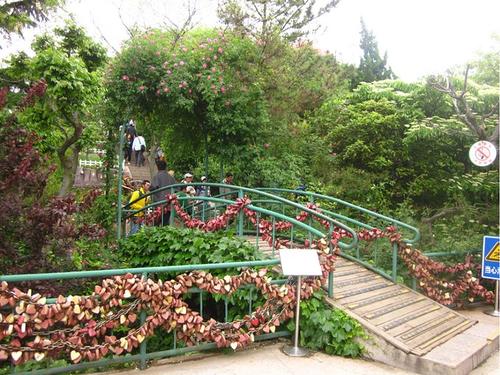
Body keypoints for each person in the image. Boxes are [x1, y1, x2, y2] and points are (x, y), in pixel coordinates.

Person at [151, 160, 176, 226]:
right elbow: (176, 189)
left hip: (159, 204)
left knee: (156, 224)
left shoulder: (157, 176)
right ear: (165, 167)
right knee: (165, 223)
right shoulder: (171, 177)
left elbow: (153, 187)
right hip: (168, 204)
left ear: (157, 167)